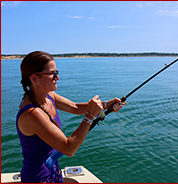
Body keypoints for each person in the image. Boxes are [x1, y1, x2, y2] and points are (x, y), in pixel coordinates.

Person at [16, 51, 126, 183]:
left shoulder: (48, 95)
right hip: (38, 177)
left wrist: (106, 105)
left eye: (57, 72)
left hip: (52, 168)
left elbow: (75, 107)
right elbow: (69, 148)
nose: (57, 77)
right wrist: (90, 115)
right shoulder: (33, 114)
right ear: (35, 78)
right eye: (53, 74)